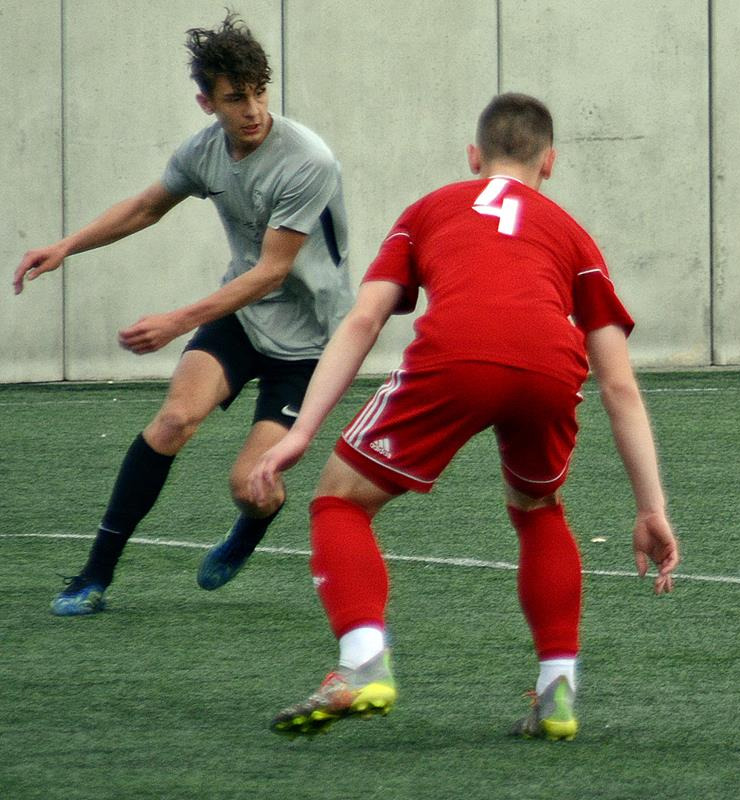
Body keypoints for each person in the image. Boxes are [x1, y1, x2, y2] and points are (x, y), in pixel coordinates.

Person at [249, 93, 680, 739]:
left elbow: (364, 319)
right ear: (550, 162)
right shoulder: (572, 234)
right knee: (538, 508)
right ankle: (557, 691)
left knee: (339, 501)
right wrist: (650, 508)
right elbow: (618, 385)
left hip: (458, 353)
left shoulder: (429, 209)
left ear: (474, 157)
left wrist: (302, 431)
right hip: (550, 364)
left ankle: (363, 663)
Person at [12, 12, 353, 616]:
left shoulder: (308, 161)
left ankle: (251, 525)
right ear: (207, 103)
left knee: (250, 486)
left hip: (309, 342)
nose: (252, 109)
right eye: (235, 98)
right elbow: (148, 205)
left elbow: (272, 271)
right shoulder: (205, 151)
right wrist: (66, 245)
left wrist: (175, 321)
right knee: (172, 421)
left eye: (259, 93)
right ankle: (94, 575)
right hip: (241, 317)